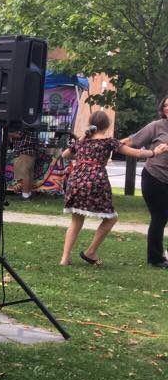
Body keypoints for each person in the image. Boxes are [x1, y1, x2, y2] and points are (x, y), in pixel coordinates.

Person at [59, 111, 167, 266]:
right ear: (108, 125)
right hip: (96, 181)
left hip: (76, 181)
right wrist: (154, 152)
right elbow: (135, 152)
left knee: (76, 221)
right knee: (111, 218)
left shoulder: (82, 141)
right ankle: (91, 251)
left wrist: (83, 140)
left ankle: (64, 258)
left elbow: (64, 155)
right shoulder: (109, 142)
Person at [121, 97, 168, 269]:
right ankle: (155, 258)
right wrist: (108, 144)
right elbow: (133, 140)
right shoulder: (156, 126)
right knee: (160, 216)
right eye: (166, 106)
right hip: (155, 177)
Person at [10, 127, 40, 200]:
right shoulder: (32, 122)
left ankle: (25, 195)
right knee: (29, 174)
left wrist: (7, 133)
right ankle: (28, 194)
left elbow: (18, 135)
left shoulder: (24, 123)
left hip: (24, 151)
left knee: (24, 175)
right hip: (30, 151)